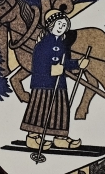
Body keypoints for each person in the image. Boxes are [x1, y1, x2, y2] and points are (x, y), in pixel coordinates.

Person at [20, 10, 89, 151]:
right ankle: (33, 137)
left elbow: (66, 62)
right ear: (51, 25)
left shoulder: (63, 45)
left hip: (59, 84)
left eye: (64, 25)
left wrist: (78, 63)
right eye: (58, 24)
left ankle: (60, 138)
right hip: (43, 85)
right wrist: (51, 70)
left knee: (61, 109)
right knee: (40, 108)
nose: (61, 27)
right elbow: (37, 65)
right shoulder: (42, 44)